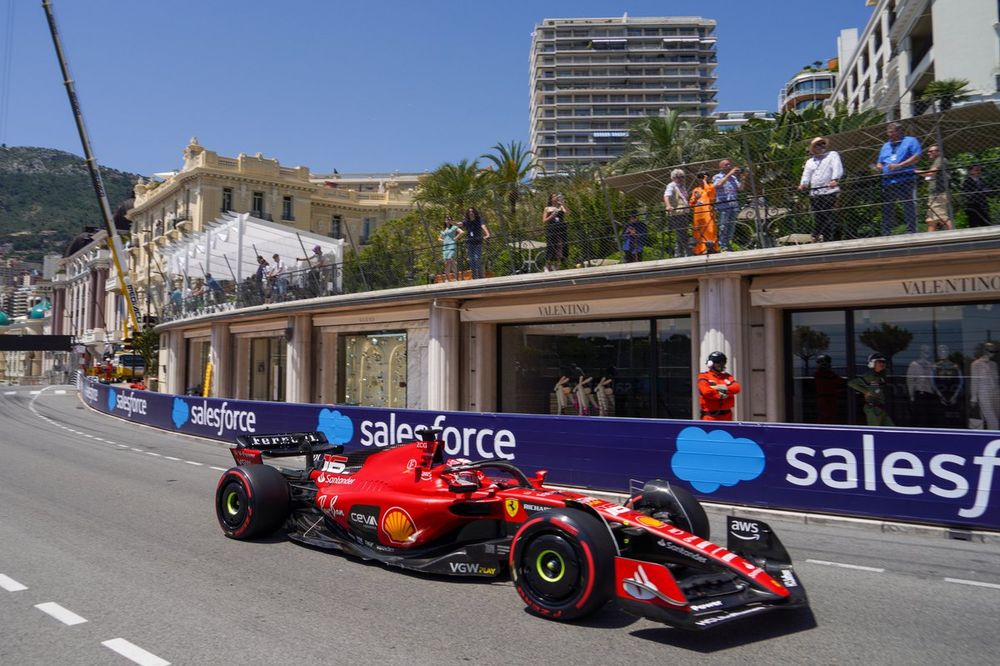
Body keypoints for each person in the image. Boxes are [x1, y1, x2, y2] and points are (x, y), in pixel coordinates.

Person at [875, 122, 922, 235]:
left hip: (905, 179)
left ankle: (911, 231)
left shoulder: (910, 141)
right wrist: (878, 167)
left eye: (892, 132)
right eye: (888, 132)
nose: (889, 135)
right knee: (887, 208)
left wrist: (899, 165)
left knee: (907, 205)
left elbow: (917, 157)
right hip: (888, 181)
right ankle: (886, 232)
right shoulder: (885, 146)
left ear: (899, 131)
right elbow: (880, 162)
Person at [798, 137, 844, 242]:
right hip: (815, 193)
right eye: (818, 145)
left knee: (827, 215)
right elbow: (806, 175)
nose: (821, 146)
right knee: (819, 216)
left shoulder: (832, 155)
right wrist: (803, 184)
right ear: (813, 148)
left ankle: (826, 238)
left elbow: (837, 167)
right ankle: (818, 235)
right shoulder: (810, 162)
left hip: (829, 191)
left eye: (823, 144)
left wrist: (835, 179)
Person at [847, 352, 894, 426]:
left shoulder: (881, 377)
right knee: (875, 431)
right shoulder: (868, 376)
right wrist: (865, 391)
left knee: (891, 431)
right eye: (879, 362)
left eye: (883, 362)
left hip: (882, 409)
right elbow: (851, 383)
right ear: (872, 363)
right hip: (873, 410)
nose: (882, 364)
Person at [916, 144, 952, 231]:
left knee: (942, 217)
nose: (928, 153)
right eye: (928, 151)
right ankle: (930, 240)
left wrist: (914, 171)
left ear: (938, 152)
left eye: (931, 151)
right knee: (931, 220)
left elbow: (930, 173)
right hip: (934, 194)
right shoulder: (937, 161)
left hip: (939, 194)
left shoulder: (940, 160)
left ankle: (954, 235)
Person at [712, 159, 744, 251]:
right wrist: (730, 173)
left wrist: (742, 178)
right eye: (726, 165)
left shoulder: (733, 178)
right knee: (723, 226)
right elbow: (719, 184)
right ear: (721, 167)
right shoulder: (717, 176)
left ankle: (728, 245)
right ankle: (722, 246)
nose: (729, 166)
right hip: (723, 206)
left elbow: (740, 189)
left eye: (730, 164)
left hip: (733, 205)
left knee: (731, 227)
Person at [697, 351, 740, 420]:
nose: (721, 365)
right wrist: (723, 393)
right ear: (710, 364)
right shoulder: (704, 376)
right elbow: (706, 392)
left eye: (723, 363)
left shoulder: (728, 377)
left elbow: (736, 388)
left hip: (727, 416)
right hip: (710, 417)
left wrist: (717, 388)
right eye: (718, 362)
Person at [970, 342, 999, 430]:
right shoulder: (976, 364)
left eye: (994, 351)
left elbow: (996, 380)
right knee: (993, 420)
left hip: (995, 394)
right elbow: (974, 381)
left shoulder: (994, 364)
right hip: (984, 394)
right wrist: (973, 398)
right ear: (985, 351)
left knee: (996, 417)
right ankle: (994, 437)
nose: (993, 353)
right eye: (991, 351)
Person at [689, 172, 719, 255]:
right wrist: (695, 199)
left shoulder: (710, 187)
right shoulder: (696, 190)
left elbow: (711, 194)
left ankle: (711, 248)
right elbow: (691, 204)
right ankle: (699, 250)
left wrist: (705, 181)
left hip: (707, 213)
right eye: (700, 177)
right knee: (698, 233)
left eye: (703, 177)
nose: (701, 179)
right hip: (697, 215)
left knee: (710, 231)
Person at [663, 169, 690, 257]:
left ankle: (678, 253)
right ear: (674, 178)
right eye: (679, 177)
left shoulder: (682, 187)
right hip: (677, 213)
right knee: (681, 233)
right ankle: (686, 252)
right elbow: (666, 196)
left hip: (683, 212)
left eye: (682, 177)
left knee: (682, 232)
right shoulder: (671, 185)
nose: (681, 179)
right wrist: (668, 206)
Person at [813, 354, 844, 424]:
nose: (824, 365)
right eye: (821, 363)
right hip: (823, 397)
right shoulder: (819, 373)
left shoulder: (830, 373)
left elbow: (839, 381)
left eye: (825, 363)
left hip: (831, 397)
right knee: (824, 416)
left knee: (831, 416)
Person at [542, 193, 568, 272]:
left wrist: (563, 204)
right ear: (551, 199)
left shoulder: (561, 206)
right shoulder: (547, 208)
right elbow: (544, 221)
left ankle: (558, 265)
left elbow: (567, 212)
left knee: (561, 245)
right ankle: (547, 265)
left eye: (556, 196)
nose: (556, 197)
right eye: (554, 196)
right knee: (551, 245)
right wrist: (551, 216)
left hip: (561, 227)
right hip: (552, 228)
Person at [462, 207, 490, 279]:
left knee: (477, 258)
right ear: (468, 213)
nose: (471, 213)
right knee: (471, 260)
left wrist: (487, 234)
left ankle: (480, 275)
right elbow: (459, 224)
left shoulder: (479, 219)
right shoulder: (466, 221)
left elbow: (483, 226)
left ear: (474, 212)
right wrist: (452, 222)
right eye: (469, 212)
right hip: (470, 242)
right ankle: (475, 276)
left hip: (478, 242)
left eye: (472, 211)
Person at [437, 216, 464, 281]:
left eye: (449, 219)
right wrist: (443, 241)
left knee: (450, 260)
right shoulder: (444, 229)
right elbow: (439, 238)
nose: (448, 221)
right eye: (447, 219)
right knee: (448, 262)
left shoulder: (454, 227)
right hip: (445, 247)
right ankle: (448, 278)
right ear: (445, 221)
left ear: (451, 221)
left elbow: (461, 232)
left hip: (452, 245)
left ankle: (455, 277)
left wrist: (455, 238)